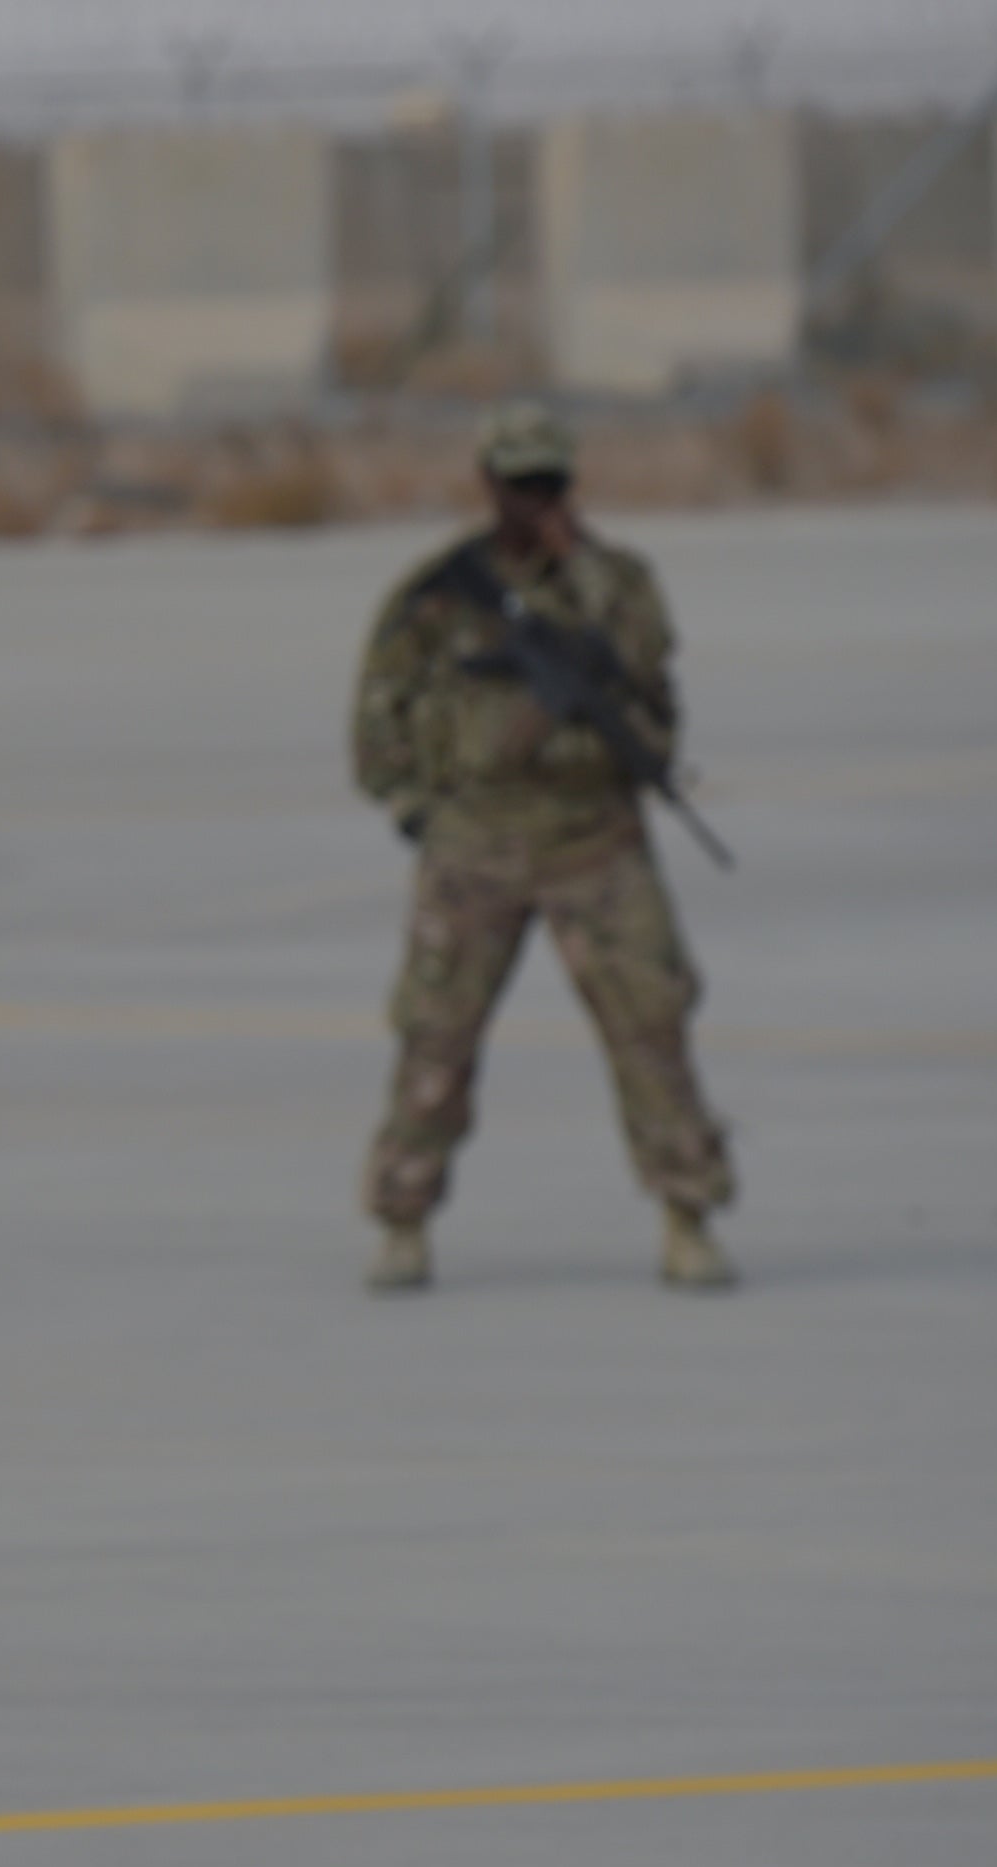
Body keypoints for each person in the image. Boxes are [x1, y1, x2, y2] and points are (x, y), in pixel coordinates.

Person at [349, 401, 737, 1293]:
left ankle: (688, 1213)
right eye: (517, 484)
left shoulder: (619, 583)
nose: (533, 500)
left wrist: (582, 579)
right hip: (475, 844)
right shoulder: (440, 592)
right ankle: (401, 1220)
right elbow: (378, 716)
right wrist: (417, 811)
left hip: (593, 840)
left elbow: (652, 690)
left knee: (651, 1028)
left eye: (548, 483)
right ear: (486, 484)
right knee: (433, 1040)